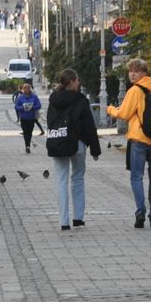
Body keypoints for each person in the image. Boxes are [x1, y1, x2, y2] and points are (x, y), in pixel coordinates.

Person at [107, 58, 151, 228]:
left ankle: (140, 211)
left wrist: (110, 109)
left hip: (139, 139)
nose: (132, 74)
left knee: (136, 176)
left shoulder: (135, 91)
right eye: (130, 71)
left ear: (143, 73)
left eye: (136, 71)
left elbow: (124, 114)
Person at [46, 68, 101, 230]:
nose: (79, 83)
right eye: (77, 80)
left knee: (61, 181)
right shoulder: (81, 100)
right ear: (71, 81)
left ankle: (64, 221)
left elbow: (50, 121)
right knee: (77, 178)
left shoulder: (53, 99)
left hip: (59, 142)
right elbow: (89, 126)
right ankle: (78, 217)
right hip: (77, 144)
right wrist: (95, 149)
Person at [14, 82, 42, 153]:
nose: (26, 89)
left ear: (30, 89)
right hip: (23, 118)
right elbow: (16, 107)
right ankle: (27, 146)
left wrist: (33, 107)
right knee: (25, 132)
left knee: (29, 132)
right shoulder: (20, 98)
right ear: (23, 89)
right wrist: (22, 108)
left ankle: (28, 145)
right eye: (25, 88)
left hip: (31, 117)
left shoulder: (34, 97)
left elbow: (39, 105)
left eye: (28, 88)